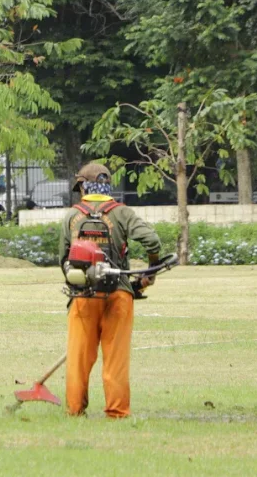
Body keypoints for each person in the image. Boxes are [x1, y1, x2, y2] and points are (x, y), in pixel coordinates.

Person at [58, 162, 161, 419]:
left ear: (83, 186)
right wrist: (150, 272)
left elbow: (63, 259)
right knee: (116, 358)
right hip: (119, 295)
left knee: (79, 357)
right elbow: (152, 241)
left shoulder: (72, 216)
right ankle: (117, 411)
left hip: (83, 297)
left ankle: (74, 410)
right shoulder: (122, 213)